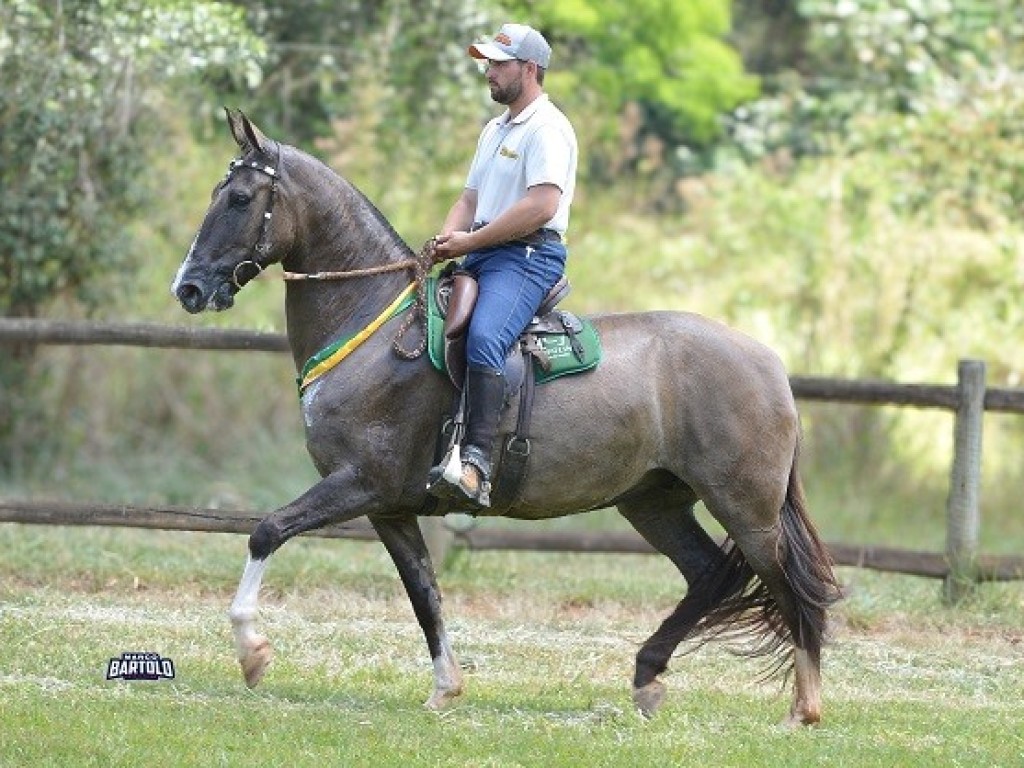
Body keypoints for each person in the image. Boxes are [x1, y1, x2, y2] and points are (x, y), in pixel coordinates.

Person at [426, 22, 578, 508]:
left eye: (498, 64)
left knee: (486, 337)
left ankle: (476, 466)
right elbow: (469, 199)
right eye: (487, 63)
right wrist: (446, 240)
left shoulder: (547, 128)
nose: (488, 72)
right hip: (483, 250)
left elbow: (542, 206)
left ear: (529, 69)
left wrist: (470, 241)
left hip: (527, 256)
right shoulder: (494, 129)